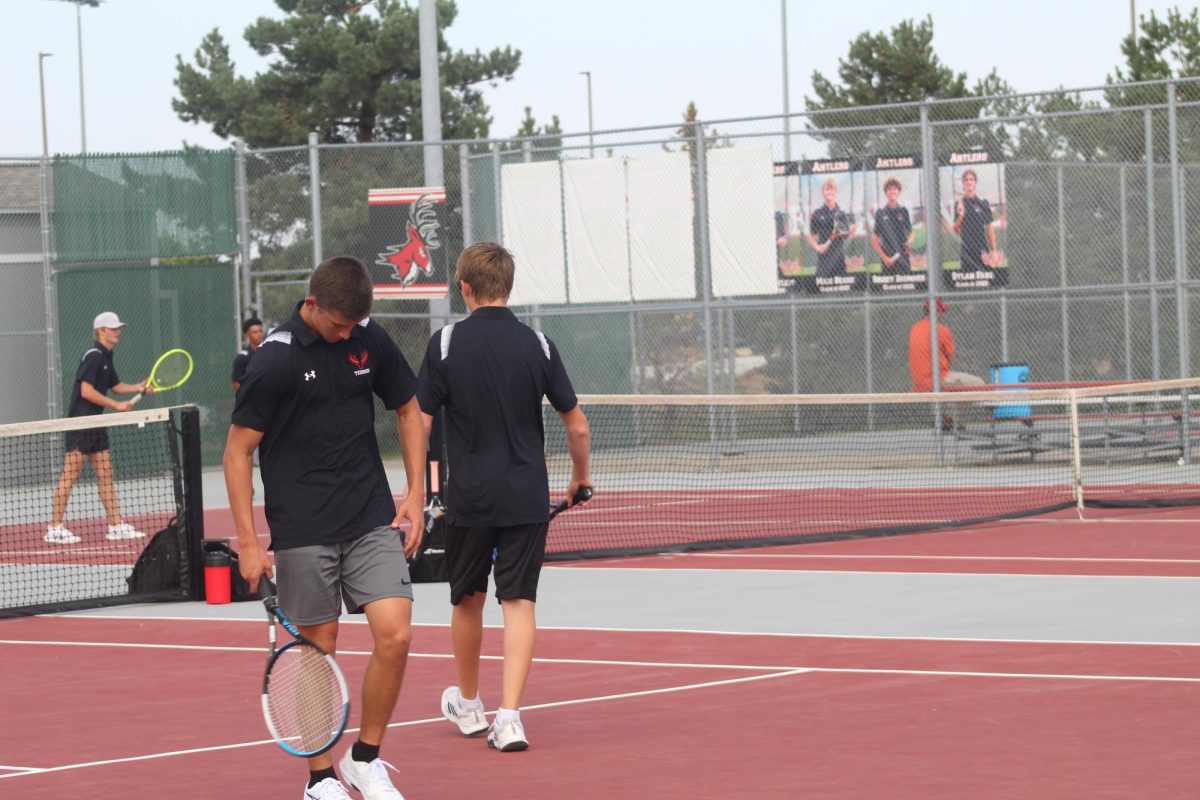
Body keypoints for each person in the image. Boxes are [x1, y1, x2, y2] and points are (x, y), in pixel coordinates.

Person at [223, 256, 426, 800]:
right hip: (303, 527)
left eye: (354, 324)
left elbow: (408, 409)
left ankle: (364, 759)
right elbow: (238, 453)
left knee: (397, 633)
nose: (346, 333)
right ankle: (320, 780)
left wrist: (416, 493)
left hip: (369, 516)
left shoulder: (368, 338)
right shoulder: (273, 362)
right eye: (339, 323)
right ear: (311, 305)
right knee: (318, 651)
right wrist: (247, 543)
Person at [417, 242, 592, 753]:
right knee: (519, 602)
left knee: (466, 599)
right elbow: (576, 427)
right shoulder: (538, 345)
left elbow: (420, 423)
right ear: (508, 286)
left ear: (464, 288)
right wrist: (580, 478)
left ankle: (469, 704)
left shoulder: (445, 343)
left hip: (469, 498)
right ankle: (509, 718)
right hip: (525, 496)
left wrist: (415, 490)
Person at [46, 311, 153, 545]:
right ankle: (54, 528)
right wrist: (115, 406)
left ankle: (115, 525)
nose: (118, 331)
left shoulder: (106, 357)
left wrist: (139, 387)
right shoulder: (94, 356)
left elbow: (115, 386)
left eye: (119, 328)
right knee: (70, 475)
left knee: (106, 474)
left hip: (97, 424)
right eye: (113, 328)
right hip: (81, 424)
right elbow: (86, 391)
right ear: (100, 331)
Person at [908, 299, 985, 393]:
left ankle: (952, 407)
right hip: (938, 378)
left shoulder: (914, 328)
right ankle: (972, 408)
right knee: (979, 382)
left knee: (955, 390)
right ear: (937, 312)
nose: (942, 314)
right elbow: (951, 356)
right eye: (941, 311)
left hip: (918, 383)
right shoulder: (941, 329)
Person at [805, 177, 856, 279]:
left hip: (839, 261)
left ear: (835, 191)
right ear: (823, 192)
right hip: (823, 261)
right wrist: (817, 247)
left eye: (831, 189)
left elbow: (847, 235)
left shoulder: (842, 213)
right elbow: (810, 235)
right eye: (827, 189)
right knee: (820, 291)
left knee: (842, 291)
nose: (829, 192)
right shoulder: (817, 213)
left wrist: (851, 230)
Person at [951, 169, 1002, 272]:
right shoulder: (959, 204)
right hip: (966, 252)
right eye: (966, 180)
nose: (969, 182)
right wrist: (961, 216)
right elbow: (955, 230)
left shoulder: (983, 203)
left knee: (987, 281)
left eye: (971, 179)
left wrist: (993, 250)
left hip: (983, 251)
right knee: (967, 283)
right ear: (963, 183)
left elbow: (989, 228)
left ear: (975, 183)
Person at [870, 177, 914, 271]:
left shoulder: (903, 211)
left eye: (894, 189)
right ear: (886, 192)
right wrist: (885, 258)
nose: (892, 191)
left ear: (899, 191)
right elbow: (874, 239)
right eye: (889, 189)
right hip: (889, 262)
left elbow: (911, 233)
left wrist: (909, 243)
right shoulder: (880, 213)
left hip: (904, 261)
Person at [230, 316, 265, 393]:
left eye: (260, 331)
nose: (259, 334)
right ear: (247, 335)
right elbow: (235, 384)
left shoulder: (270, 353)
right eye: (255, 332)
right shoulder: (242, 358)